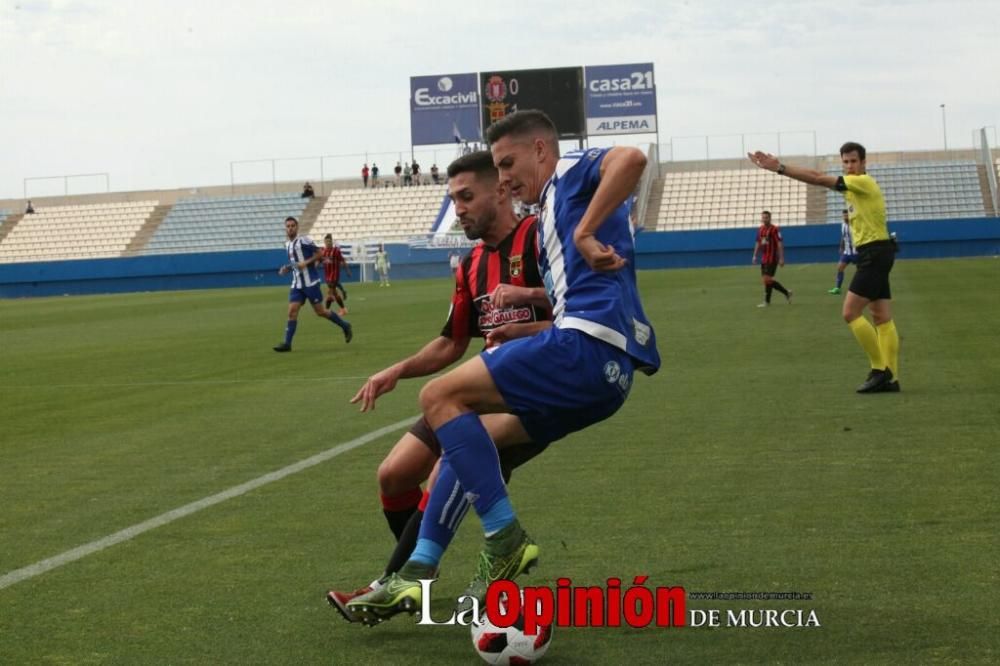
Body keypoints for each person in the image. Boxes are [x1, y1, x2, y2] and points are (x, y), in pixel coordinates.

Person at [347, 110, 660, 625]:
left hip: (584, 350)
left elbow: (631, 157)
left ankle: (503, 538)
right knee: (461, 443)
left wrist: (583, 232)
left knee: (440, 398)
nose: (507, 176)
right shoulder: (528, 234)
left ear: (541, 150)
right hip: (606, 375)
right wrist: (524, 327)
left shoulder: (567, 177)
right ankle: (421, 569)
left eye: (507, 163)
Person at [327, 151, 552, 622]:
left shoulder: (538, 241)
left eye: (468, 196)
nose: (460, 209)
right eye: (454, 200)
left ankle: (396, 582)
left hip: (533, 391)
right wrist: (396, 370)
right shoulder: (470, 265)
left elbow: (577, 314)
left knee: (444, 467)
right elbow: (452, 343)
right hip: (479, 388)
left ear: (503, 191)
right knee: (393, 474)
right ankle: (417, 571)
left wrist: (527, 316)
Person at [748, 142, 900, 393]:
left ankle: (879, 370)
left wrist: (780, 167)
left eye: (854, 161)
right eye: (846, 162)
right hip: (876, 252)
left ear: (863, 163)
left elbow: (818, 178)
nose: (850, 166)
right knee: (882, 316)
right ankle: (891, 378)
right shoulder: (854, 189)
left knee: (850, 312)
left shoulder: (862, 182)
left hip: (874, 253)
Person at [273, 217, 352, 352]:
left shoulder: (304, 240)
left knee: (320, 311)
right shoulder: (287, 245)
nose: (290, 228)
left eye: (293, 226)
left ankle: (345, 325)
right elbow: (296, 262)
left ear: (297, 228)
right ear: (285, 229)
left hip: (310, 283)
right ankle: (287, 344)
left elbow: (320, 253)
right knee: (292, 311)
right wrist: (287, 268)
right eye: (288, 226)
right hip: (297, 284)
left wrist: (307, 262)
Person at [750, 210, 792, 307]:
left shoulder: (775, 229)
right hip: (764, 258)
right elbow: (757, 242)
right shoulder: (760, 229)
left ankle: (784, 293)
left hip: (772, 258)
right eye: (763, 217)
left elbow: (780, 243)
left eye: (766, 217)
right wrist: (754, 255)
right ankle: (769, 301)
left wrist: (781, 258)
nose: (764, 219)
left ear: (770, 218)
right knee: (767, 281)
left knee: (766, 279)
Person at [321, 234, 351, 316]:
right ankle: (333, 309)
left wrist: (347, 270)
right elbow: (320, 260)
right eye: (326, 241)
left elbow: (342, 260)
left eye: (329, 241)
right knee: (333, 293)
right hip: (327, 275)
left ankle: (331, 310)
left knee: (331, 292)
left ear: (332, 242)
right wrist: (316, 264)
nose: (328, 243)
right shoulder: (323, 251)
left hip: (334, 274)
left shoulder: (336, 251)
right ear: (324, 242)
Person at [828, 209, 857, 295]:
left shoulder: (855, 225)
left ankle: (867, 287)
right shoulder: (843, 225)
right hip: (847, 252)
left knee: (862, 270)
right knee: (840, 267)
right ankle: (837, 288)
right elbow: (843, 237)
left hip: (856, 252)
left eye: (846, 215)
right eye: (844, 215)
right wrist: (841, 246)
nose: (845, 217)